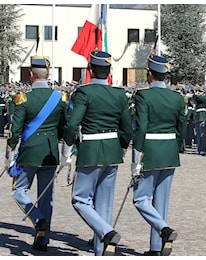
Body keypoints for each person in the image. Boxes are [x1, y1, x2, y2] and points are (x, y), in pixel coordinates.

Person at [63, 50, 133, 256]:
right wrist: (121, 146)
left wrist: (70, 144)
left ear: (89, 70)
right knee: (104, 203)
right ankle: (101, 250)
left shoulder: (84, 93)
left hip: (91, 150)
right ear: (109, 71)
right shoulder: (119, 94)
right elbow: (127, 128)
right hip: (112, 151)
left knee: (80, 199)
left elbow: (72, 124)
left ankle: (106, 232)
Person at [6, 56, 68, 251]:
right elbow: (63, 127)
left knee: (19, 191)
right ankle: (43, 240)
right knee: (46, 196)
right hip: (50, 152)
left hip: (29, 152)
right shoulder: (60, 98)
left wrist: (9, 152)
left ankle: (38, 219)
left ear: (30, 75)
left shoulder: (23, 98)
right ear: (48, 75)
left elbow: (15, 130)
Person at [131, 53, 186, 256]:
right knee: (161, 201)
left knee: (141, 198)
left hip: (151, 151)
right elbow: (182, 128)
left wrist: (137, 154)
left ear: (149, 74)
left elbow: (141, 126)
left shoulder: (144, 96)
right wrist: (174, 145)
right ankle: (157, 247)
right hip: (170, 151)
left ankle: (164, 230)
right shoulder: (177, 97)